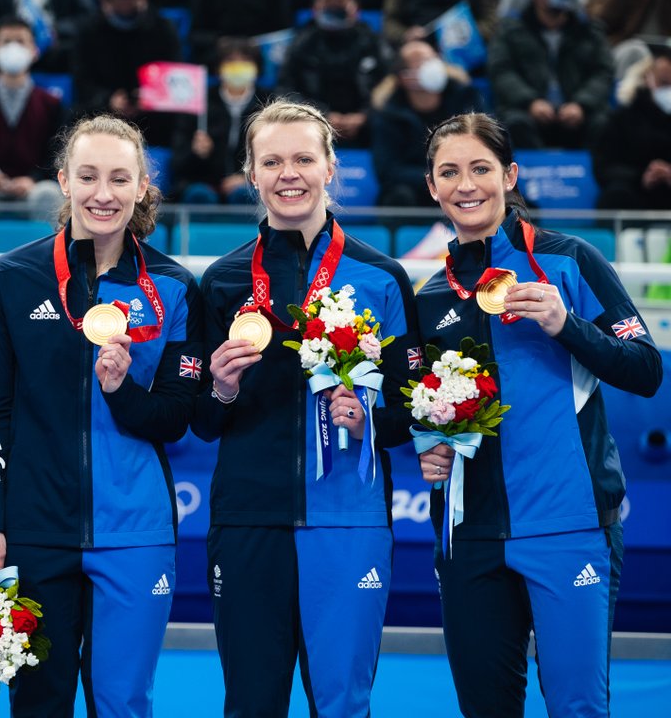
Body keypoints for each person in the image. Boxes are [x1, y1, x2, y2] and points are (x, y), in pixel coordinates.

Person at [415, 111, 661, 716]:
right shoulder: (430, 296)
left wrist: (565, 324)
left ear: (510, 174)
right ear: (432, 187)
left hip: (569, 521)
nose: (466, 184)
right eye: (450, 172)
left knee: (578, 707)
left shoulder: (570, 261)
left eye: (480, 168)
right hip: (467, 534)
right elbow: (423, 406)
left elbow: (645, 369)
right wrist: (429, 441)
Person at [0, 114, 204, 716]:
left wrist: (122, 390)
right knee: (36, 702)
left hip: (136, 534)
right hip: (31, 531)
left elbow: (175, 419)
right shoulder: (10, 279)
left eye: (120, 178)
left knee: (122, 702)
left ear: (143, 186)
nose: (104, 193)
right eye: (89, 176)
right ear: (63, 182)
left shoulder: (175, 287)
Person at [192, 100, 418, 717]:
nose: (288, 173)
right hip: (248, 520)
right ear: (251, 173)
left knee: (343, 704)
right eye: (271, 161)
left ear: (329, 168)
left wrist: (370, 418)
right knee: (252, 704)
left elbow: (410, 413)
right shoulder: (222, 280)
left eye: (302, 159)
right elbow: (204, 423)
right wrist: (222, 389)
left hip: (350, 519)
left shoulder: (382, 278)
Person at [487, 0, 614, 150]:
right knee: (513, 123)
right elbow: (502, 71)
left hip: (577, 113)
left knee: (604, 123)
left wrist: (581, 104)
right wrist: (530, 101)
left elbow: (603, 72)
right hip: (529, 112)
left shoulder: (590, 32)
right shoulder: (510, 32)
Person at [0, 18, 66, 219]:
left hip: (32, 189)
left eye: (21, 41)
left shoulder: (51, 103)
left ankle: (53, 251)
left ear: (35, 52)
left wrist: (33, 179)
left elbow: (56, 156)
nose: (13, 47)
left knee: (48, 193)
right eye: (6, 41)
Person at [72, 0, 184, 147]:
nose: (125, 10)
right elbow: (82, 81)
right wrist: (108, 100)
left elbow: (174, 76)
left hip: (153, 117)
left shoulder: (162, 29)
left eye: (130, 2)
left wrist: (151, 96)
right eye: (119, 4)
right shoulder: (88, 32)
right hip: (102, 114)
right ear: (105, 1)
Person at [276, 0, 392, 148]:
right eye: (327, 4)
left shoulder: (374, 43)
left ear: (356, 8)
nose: (333, 9)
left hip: (368, 126)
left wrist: (366, 116)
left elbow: (391, 85)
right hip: (313, 124)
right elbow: (285, 90)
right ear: (315, 8)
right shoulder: (301, 44)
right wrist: (322, 115)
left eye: (340, 3)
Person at [370, 39, 484, 207]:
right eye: (423, 62)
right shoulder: (389, 114)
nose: (433, 66)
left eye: (434, 59)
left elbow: (491, 143)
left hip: (466, 181)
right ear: (405, 77)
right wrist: (440, 177)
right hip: (417, 189)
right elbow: (388, 170)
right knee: (398, 196)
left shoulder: (466, 98)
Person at [170, 36, 270, 204]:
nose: (238, 67)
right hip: (204, 185)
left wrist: (245, 178)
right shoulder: (199, 103)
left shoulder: (269, 104)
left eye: (245, 61)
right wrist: (194, 153)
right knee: (199, 195)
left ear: (256, 67)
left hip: (250, 184)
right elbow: (177, 163)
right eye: (230, 61)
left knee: (244, 194)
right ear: (219, 68)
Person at [594, 46, 671, 209]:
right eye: (664, 83)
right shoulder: (623, 118)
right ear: (647, 78)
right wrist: (641, 176)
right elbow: (604, 166)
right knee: (615, 195)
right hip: (635, 193)